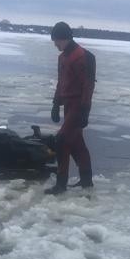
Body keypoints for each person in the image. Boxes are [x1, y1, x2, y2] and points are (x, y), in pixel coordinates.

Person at [46, 21, 95, 195]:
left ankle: (61, 184)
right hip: (67, 105)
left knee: (61, 141)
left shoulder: (84, 56)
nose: (55, 45)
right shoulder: (62, 57)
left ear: (64, 38)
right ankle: (86, 180)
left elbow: (88, 86)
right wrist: (55, 104)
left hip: (78, 105)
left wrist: (84, 110)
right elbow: (61, 82)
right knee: (75, 144)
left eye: (56, 41)